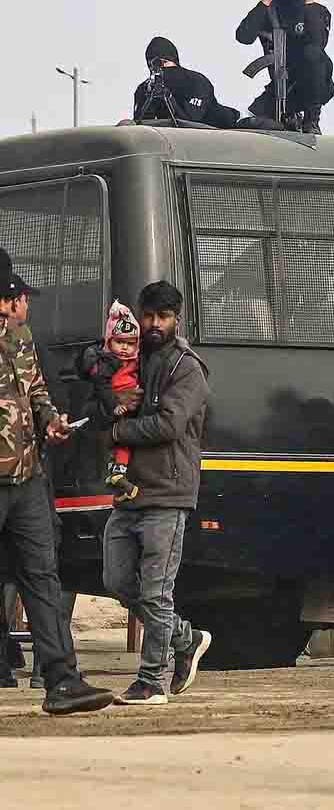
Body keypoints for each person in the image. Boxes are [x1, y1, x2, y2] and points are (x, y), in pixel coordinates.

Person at [0, 253, 112, 714]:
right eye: (11, 296)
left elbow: (36, 390)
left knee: (42, 575)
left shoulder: (21, 337)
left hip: (27, 478)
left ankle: (62, 681)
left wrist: (51, 421)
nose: (16, 305)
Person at [102, 281, 213, 705]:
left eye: (162, 317)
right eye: (148, 315)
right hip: (129, 492)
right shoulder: (131, 357)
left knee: (155, 592)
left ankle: (151, 681)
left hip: (167, 494)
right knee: (116, 581)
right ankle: (186, 639)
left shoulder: (187, 368)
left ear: (176, 320)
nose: (153, 324)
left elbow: (169, 425)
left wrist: (117, 431)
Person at [236, 0, 334, 134]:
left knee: (313, 54)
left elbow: (318, 42)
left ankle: (311, 120)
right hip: (279, 87)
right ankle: (288, 122)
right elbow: (243, 36)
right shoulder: (267, 11)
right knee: (246, 123)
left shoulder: (316, 11)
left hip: (310, 84)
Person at [77, 301, 143, 502]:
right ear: (109, 341)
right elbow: (103, 387)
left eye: (130, 343)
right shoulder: (107, 362)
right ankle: (116, 472)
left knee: (126, 442)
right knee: (121, 438)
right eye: (119, 342)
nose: (124, 348)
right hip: (115, 407)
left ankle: (118, 473)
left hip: (130, 406)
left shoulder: (137, 360)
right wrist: (114, 405)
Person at [133, 37, 239, 128]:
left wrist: (169, 97)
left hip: (226, 127)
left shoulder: (195, 80)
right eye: (153, 65)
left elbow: (193, 120)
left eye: (165, 62)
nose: (161, 68)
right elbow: (143, 125)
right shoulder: (145, 88)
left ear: (175, 62)